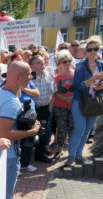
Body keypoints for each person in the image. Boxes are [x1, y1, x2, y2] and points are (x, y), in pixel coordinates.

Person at [0, 61, 41, 199]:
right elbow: (4, 134)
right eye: (29, 74)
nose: (31, 77)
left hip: (0, 153)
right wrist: (32, 131)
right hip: (8, 156)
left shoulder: (2, 92)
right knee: (6, 194)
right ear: (18, 78)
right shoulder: (11, 102)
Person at [67, 36, 103, 166]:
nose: (93, 51)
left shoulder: (101, 65)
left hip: (94, 102)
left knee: (87, 131)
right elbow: (78, 86)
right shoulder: (80, 66)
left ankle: (78, 155)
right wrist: (95, 78)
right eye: (90, 49)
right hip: (80, 102)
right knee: (79, 130)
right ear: (86, 50)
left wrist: (101, 86)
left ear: (99, 50)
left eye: (96, 48)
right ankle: (70, 157)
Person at [30, 55, 57, 163]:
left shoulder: (49, 75)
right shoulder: (28, 77)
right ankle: (32, 155)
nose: (42, 64)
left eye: (43, 62)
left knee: (46, 133)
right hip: (33, 110)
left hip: (46, 109)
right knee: (33, 133)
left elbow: (53, 92)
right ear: (31, 65)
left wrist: (50, 107)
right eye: (39, 62)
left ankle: (40, 154)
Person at [53, 50, 75, 159]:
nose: (67, 63)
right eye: (64, 61)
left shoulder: (75, 74)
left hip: (74, 106)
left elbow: (80, 88)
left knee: (73, 128)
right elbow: (54, 92)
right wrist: (66, 98)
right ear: (59, 63)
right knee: (61, 128)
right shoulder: (55, 77)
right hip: (60, 106)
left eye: (69, 61)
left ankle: (72, 150)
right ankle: (60, 149)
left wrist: (73, 98)